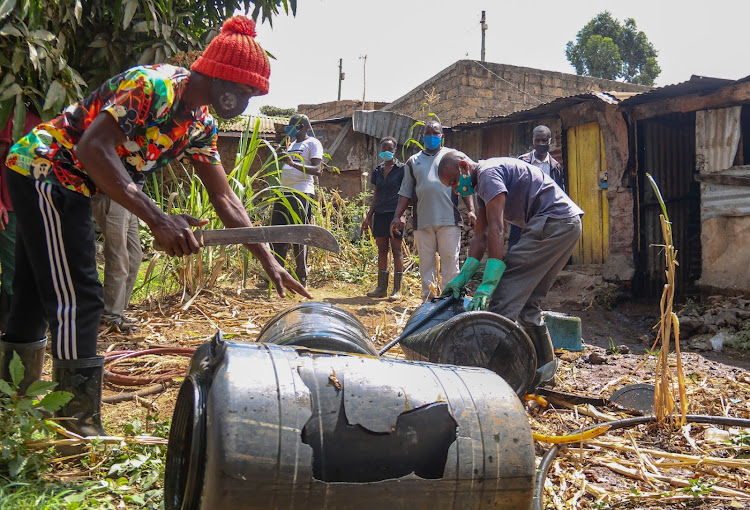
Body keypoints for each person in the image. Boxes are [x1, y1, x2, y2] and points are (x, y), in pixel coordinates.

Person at [0, 15, 311, 437]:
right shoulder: (155, 87)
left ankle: (12, 405)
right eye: (243, 89)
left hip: (69, 181)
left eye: (253, 93)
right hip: (48, 171)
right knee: (80, 296)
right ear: (220, 76)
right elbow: (92, 148)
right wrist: (160, 220)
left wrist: (268, 260)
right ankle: (75, 426)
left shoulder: (200, 124)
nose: (247, 100)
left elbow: (224, 198)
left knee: (34, 294)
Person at [438, 151, 583, 388]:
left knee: (503, 298)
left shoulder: (487, 175)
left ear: (464, 166)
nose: (456, 190)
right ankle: (545, 374)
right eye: (451, 187)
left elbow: (497, 230)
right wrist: (463, 276)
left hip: (553, 223)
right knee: (528, 303)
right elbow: (480, 235)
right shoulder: (483, 183)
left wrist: (489, 284)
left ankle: (486, 375)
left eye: (454, 182)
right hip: (566, 224)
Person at [390, 120, 476, 299]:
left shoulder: (453, 156)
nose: (431, 137)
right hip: (423, 222)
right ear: (422, 137)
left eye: (435, 134)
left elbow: (465, 185)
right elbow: (405, 192)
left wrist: (471, 210)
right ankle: (427, 305)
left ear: (442, 137)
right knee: (426, 267)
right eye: (427, 133)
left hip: (449, 220)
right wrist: (398, 215)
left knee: (450, 267)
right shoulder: (413, 161)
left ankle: (451, 303)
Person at [0, 107, 42, 333]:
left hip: (31, 204)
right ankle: (12, 330)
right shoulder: (12, 115)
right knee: (13, 268)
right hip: (10, 205)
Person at [270, 114, 324, 288]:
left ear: (301, 127)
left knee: (299, 235)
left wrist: (292, 164)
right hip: (284, 192)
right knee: (278, 233)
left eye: (290, 127)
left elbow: (317, 169)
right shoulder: (292, 144)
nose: (288, 131)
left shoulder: (313, 143)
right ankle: (279, 274)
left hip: (301, 194)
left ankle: (301, 277)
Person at [91, 175, 145, 333]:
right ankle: (110, 316)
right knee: (118, 257)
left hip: (130, 200)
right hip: (112, 196)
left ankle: (117, 310)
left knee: (135, 257)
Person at [508, 125, 565, 250]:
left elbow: (559, 193)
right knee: (516, 245)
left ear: (550, 141)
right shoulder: (522, 162)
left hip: (544, 213)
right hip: (522, 213)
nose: (540, 143)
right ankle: (513, 269)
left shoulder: (555, 167)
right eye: (537, 140)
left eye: (544, 140)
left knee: (542, 247)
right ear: (533, 141)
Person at [361, 137, 405, 299]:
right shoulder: (377, 171)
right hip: (380, 214)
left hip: (395, 215)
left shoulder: (402, 169)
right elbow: (376, 195)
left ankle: (397, 290)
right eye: (384, 148)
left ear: (395, 150)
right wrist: (368, 217)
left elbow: (406, 194)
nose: (387, 151)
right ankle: (381, 288)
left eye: (390, 148)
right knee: (382, 250)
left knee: (397, 250)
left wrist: (402, 216)